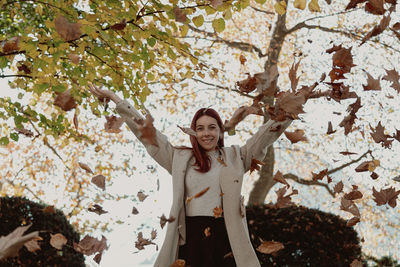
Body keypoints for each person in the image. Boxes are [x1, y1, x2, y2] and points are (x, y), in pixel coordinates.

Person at [88, 83, 292, 267]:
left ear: (221, 131)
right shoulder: (179, 158)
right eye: (200, 128)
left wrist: (291, 106)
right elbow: (146, 132)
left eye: (212, 128)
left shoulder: (236, 156)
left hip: (226, 239)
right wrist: (116, 99)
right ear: (193, 132)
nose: (206, 133)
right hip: (190, 239)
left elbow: (264, 137)